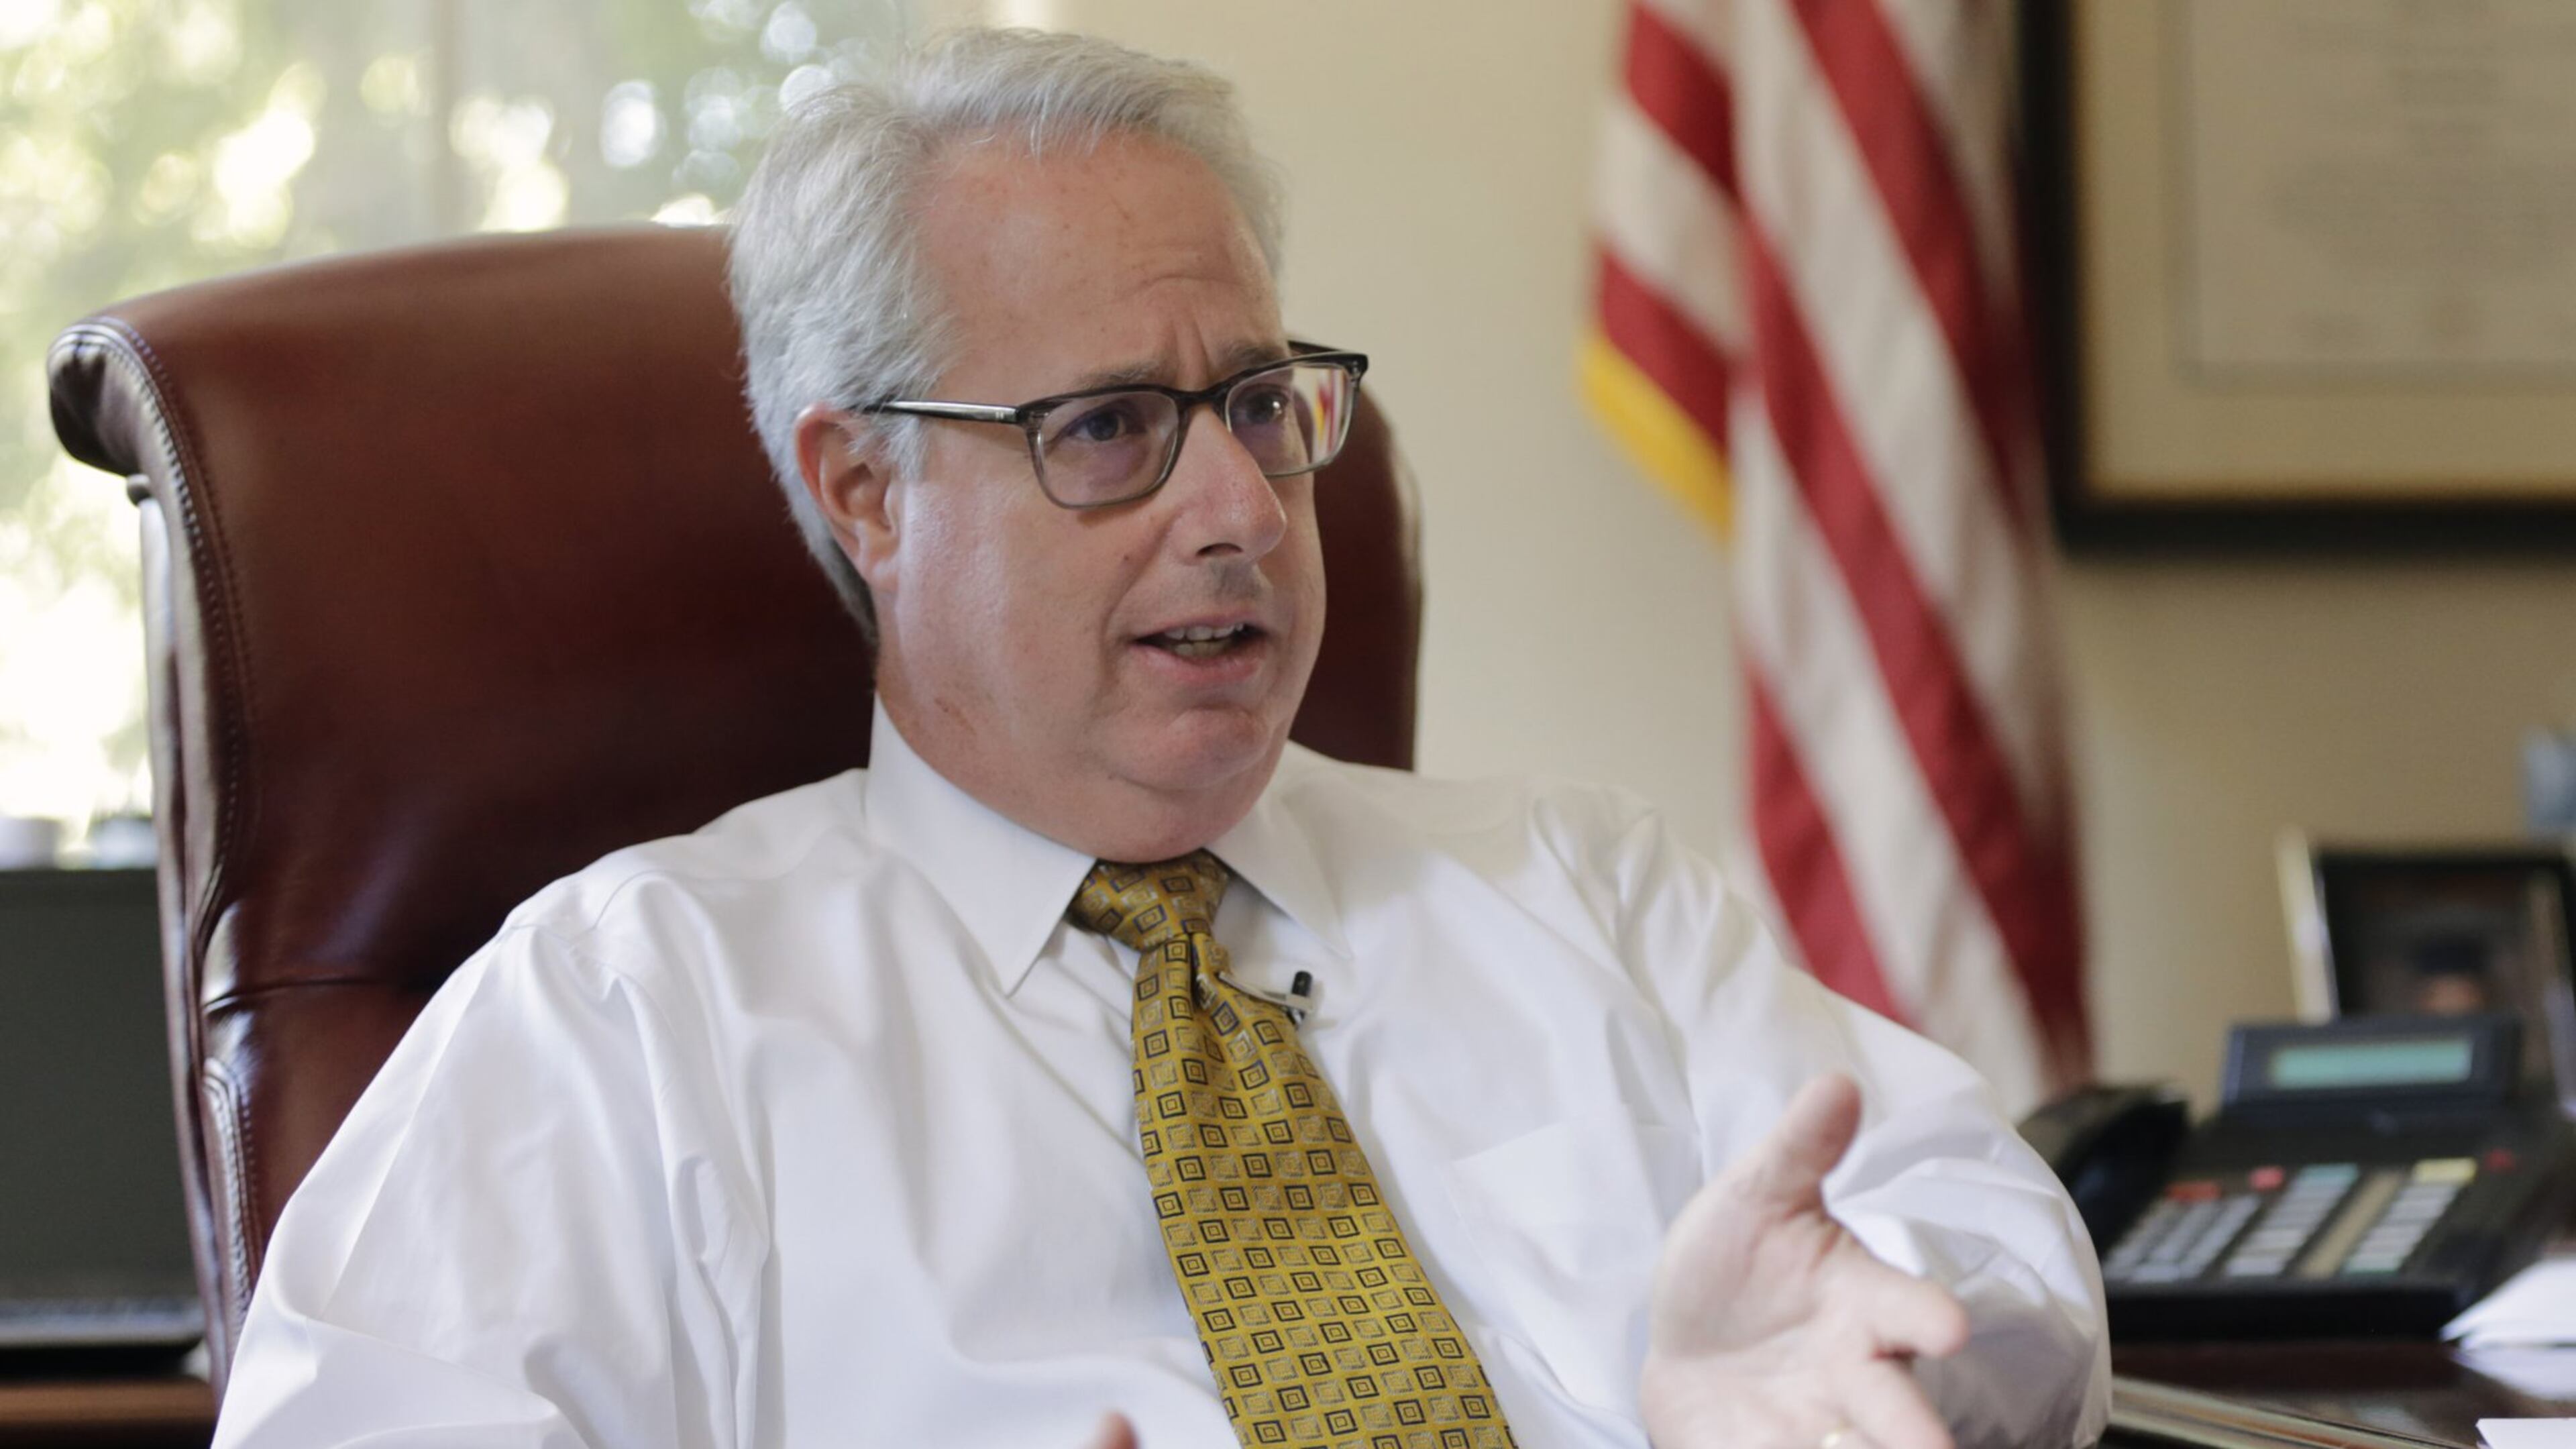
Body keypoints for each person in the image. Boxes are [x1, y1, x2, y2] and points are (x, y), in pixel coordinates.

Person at [212, 28, 2108, 1449]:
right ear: (866, 491)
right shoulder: (630, 1011)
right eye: (1110, 426)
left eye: (1261, 404)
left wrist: (1880, 1365)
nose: (1242, 508)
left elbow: (1998, 1255)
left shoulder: (1582, 888)